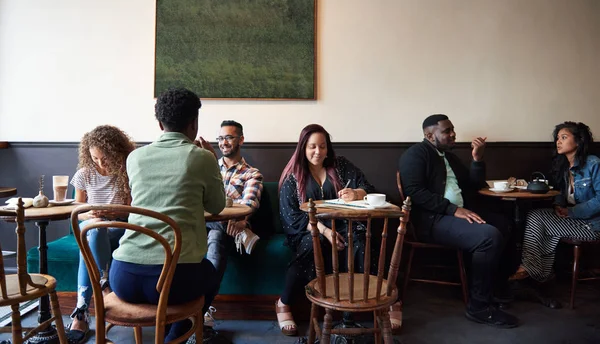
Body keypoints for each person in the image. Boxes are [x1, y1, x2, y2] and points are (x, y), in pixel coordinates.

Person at [110, 88, 225, 343]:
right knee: (210, 272)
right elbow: (217, 207)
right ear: (194, 123)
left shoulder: (135, 157)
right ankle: (174, 338)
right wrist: (213, 161)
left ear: (160, 123)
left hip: (124, 277)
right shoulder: (202, 157)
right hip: (175, 281)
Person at [398, 114, 518, 328]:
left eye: (452, 129)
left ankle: (495, 289)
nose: (453, 134)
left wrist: (477, 159)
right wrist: (452, 209)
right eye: (446, 131)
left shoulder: (449, 157)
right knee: (488, 237)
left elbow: (474, 184)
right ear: (429, 134)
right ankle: (479, 307)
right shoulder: (415, 154)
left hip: (455, 214)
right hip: (431, 221)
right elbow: (414, 192)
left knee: (504, 224)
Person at [276, 124, 376, 336]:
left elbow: (368, 187)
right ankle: (284, 302)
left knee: (359, 242)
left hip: (343, 224)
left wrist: (356, 193)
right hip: (307, 229)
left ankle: (350, 313)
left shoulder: (340, 166)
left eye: (322, 146)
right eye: (312, 146)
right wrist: (323, 230)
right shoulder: (292, 177)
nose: (318, 152)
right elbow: (291, 216)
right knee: (313, 245)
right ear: (303, 147)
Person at [66, 125, 136, 344]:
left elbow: (132, 210)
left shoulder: (127, 172)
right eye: (95, 158)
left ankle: (81, 313)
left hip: (120, 227)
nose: (100, 163)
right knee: (94, 232)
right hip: (93, 227)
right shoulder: (84, 174)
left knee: (92, 237)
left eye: (105, 158)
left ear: (117, 154)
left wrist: (112, 212)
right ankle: (103, 281)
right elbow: (76, 209)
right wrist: (90, 215)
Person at [514, 122, 600, 282]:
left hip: (594, 226)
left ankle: (531, 271)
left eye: (564, 137)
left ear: (579, 140)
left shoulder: (594, 164)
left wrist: (572, 212)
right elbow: (559, 192)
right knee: (536, 216)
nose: (558, 141)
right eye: (557, 138)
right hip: (575, 221)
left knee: (538, 220)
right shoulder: (564, 167)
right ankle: (537, 273)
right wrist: (558, 206)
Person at [200, 120, 263, 336]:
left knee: (217, 238)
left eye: (228, 137)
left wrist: (242, 219)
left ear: (241, 140)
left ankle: (202, 309)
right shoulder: (206, 167)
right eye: (220, 138)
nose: (223, 142)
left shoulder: (251, 173)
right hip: (202, 224)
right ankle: (243, 235)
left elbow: (250, 203)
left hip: (223, 228)